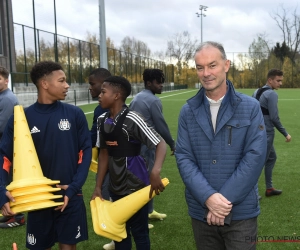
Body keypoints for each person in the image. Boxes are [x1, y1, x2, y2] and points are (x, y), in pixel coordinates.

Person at [175, 41, 267, 250]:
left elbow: (255, 156)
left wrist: (221, 202)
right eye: (200, 67)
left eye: (212, 65)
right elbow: (183, 157)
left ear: (226, 65)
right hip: (201, 212)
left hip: (240, 213)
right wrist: (208, 198)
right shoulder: (187, 111)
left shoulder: (250, 107)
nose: (206, 73)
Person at [0, 61, 92, 249]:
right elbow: (4, 157)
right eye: (62, 80)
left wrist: (74, 188)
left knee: (68, 247)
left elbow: (86, 154)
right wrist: (1, 191)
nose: (67, 85)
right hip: (36, 199)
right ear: (44, 84)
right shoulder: (21, 118)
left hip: (69, 195)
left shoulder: (75, 115)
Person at [91, 76, 167, 250]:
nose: (99, 96)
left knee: (140, 232)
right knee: (118, 232)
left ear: (117, 95)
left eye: (103, 92)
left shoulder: (133, 118)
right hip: (115, 186)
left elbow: (159, 143)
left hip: (136, 186)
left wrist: (155, 171)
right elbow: (104, 153)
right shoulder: (102, 120)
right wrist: (98, 186)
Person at [129, 69, 175, 226]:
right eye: (158, 82)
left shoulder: (138, 97)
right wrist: (172, 143)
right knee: (145, 180)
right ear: (149, 83)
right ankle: (142, 216)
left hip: (136, 144)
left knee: (144, 178)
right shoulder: (153, 101)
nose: (161, 85)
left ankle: (149, 211)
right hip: (146, 146)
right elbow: (161, 127)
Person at [88, 67, 115, 250]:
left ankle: (116, 235)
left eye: (92, 84)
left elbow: (96, 140)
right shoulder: (104, 109)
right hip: (115, 164)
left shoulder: (102, 111)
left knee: (108, 195)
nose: (90, 88)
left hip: (114, 165)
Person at [253, 69, 291, 197]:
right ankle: (253, 193)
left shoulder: (256, 91)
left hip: (255, 130)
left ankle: (269, 188)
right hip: (266, 131)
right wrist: (285, 133)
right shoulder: (272, 94)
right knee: (260, 161)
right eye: (278, 80)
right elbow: (274, 118)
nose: (280, 83)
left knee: (271, 157)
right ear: (270, 80)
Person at [0, 66, 25, 229]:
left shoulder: (7, 99)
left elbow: (2, 127)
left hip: (8, 148)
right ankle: (10, 212)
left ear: (6, 80)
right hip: (6, 146)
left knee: (8, 181)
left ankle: (18, 216)